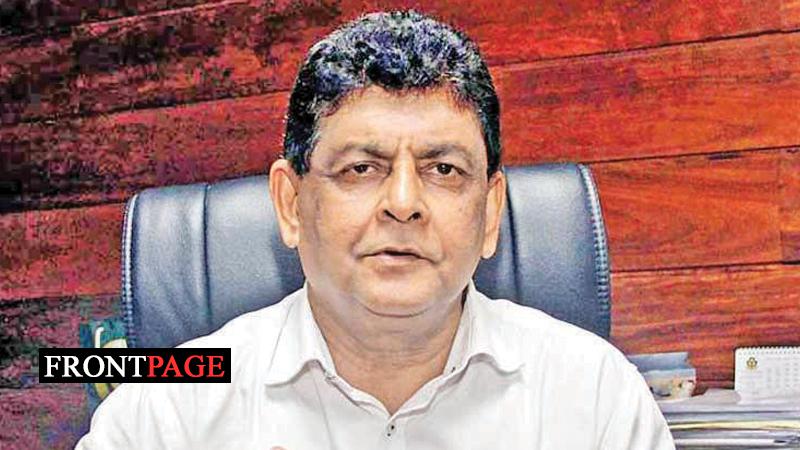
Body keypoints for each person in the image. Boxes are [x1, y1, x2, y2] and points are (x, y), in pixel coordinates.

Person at [76, 10, 674, 449]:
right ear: (290, 204)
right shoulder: (166, 412)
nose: (404, 203)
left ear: (491, 211)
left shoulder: (595, 397)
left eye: (444, 169)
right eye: (361, 169)